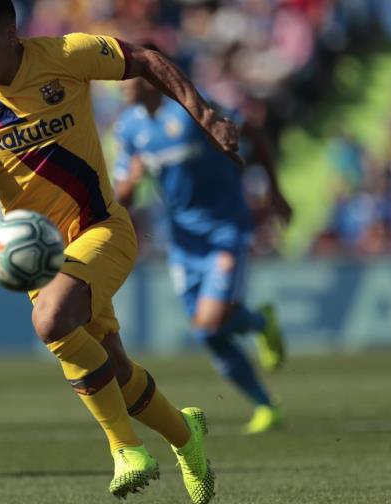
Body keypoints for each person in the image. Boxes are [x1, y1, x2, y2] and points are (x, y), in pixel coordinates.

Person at [0, 1, 244, 501]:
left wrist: (204, 114)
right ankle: (188, 438)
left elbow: (144, 59)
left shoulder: (66, 53)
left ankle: (126, 449)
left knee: (51, 322)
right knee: (114, 371)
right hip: (39, 257)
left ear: (11, 32)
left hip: (102, 227)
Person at [113, 45, 293, 435]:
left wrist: (274, 192)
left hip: (225, 227)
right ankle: (265, 401)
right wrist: (133, 177)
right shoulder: (129, 128)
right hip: (182, 240)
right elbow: (122, 196)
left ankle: (259, 323)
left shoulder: (192, 110)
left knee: (212, 322)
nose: (119, 83)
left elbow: (254, 132)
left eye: (126, 74)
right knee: (205, 333)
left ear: (149, 77)